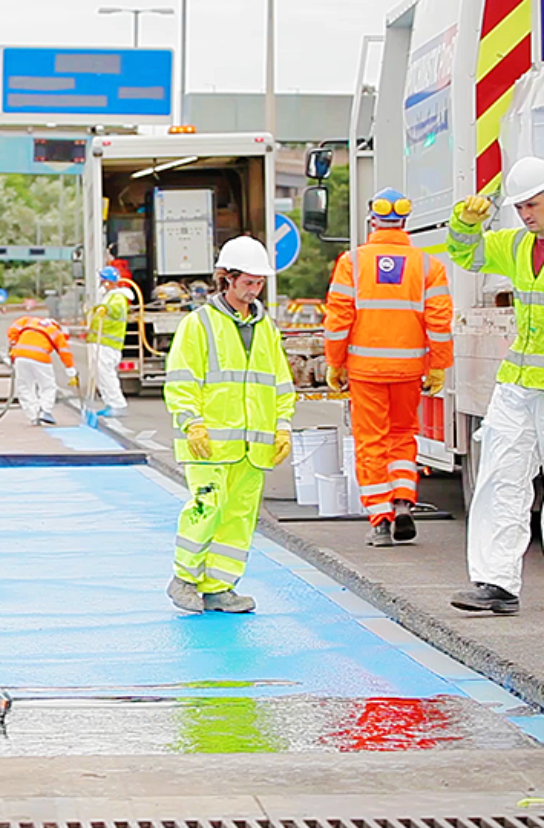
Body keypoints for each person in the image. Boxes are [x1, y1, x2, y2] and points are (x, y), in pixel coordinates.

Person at [163, 236, 295, 613]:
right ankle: (184, 578)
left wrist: (282, 426)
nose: (254, 291)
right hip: (210, 444)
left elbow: (280, 383)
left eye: (259, 283)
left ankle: (219, 587)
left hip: (252, 449)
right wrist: (192, 424)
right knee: (206, 508)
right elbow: (183, 380)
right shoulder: (199, 324)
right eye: (248, 282)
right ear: (227, 279)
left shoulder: (265, 328)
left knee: (239, 518)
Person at [324, 187, 453, 547]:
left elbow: (338, 319)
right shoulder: (429, 266)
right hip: (409, 371)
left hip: (366, 371)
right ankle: (402, 501)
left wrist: (335, 362)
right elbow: (440, 322)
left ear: (372, 222)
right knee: (402, 437)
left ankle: (380, 520)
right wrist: (439, 366)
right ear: (405, 224)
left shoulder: (353, 262)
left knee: (371, 441)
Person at [446, 156, 544, 615]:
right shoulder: (517, 246)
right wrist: (464, 224)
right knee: (501, 479)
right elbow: (469, 254)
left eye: (533, 205)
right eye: (521, 207)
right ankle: (496, 584)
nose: (526, 214)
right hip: (518, 385)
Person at [6, 315, 78, 425]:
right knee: (47, 386)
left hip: (20, 356)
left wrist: (14, 344)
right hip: (41, 358)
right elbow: (64, 352)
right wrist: (71, 370)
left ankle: (33, 415)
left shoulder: (28, 321)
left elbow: (12, 330)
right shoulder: (56, 332)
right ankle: (45, 412)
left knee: (25, 386)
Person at [88, 266, 132, 417]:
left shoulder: (118, 297)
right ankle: (110, 403)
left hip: (108, 343)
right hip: (102, 341)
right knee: (101, 374)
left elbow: (116, 309)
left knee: (106, 373)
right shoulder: (109, 296)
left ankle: (117, 404)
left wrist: (106, 309)